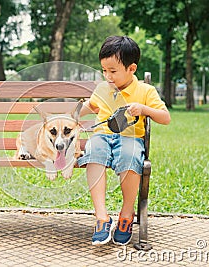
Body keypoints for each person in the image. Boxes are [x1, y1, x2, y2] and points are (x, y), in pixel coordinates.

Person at [77, 35, 171, 246]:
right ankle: (101, 217)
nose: (107, 76)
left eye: (113, 71)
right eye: (104, 71)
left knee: (130, 157)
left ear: (132, 69)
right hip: (102, 135)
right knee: (93, 151)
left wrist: (144, 109)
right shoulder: (102, 88)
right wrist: (72, 114)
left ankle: (126, 214)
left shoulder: (145, 91)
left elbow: (165, 118)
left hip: (130, 138)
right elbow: (90, 107)